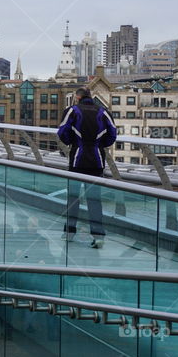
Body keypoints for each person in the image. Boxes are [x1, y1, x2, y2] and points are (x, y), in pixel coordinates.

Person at [57, 88, 118, 249]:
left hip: (77, 157)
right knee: (94, 199)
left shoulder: (72, 111)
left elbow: (62, 131)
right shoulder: (103, 112)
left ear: (77, 97)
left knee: (73, 197)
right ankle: (98, 236)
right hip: (97, 159)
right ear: (90, 97)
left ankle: (69, 233)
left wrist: (73, 142)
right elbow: (112, 133)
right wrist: (100, 144)